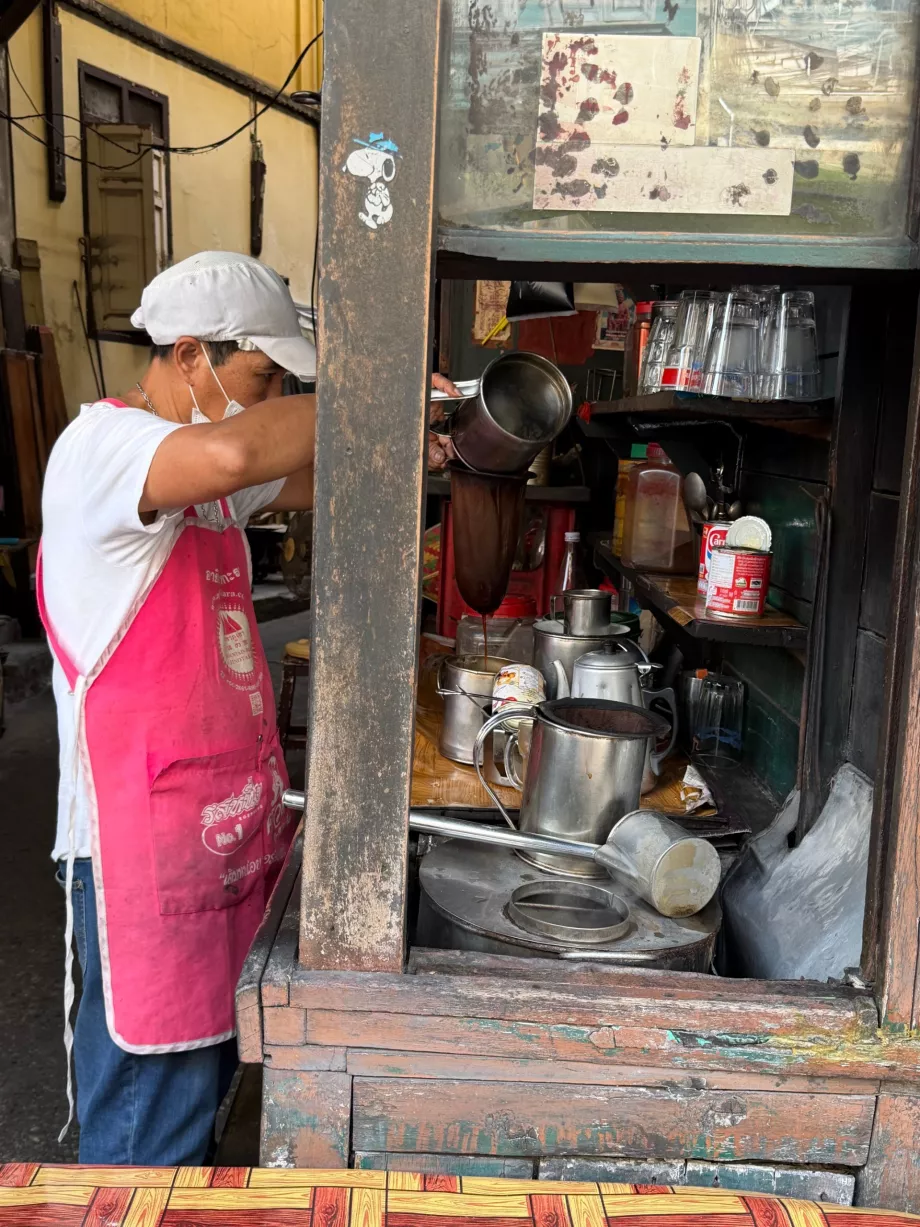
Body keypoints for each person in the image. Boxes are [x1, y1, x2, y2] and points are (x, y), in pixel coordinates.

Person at [40, 251, 458, 1165]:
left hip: (215, 847)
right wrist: (375, 393)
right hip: (137, 864)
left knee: (204, 1111)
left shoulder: (205, 490)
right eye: (262, 376)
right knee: (148, 1136)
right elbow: (237, 449)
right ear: (190, 356)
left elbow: (326, 479)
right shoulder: (103, 450)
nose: (268, 397)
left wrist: (412, 443)